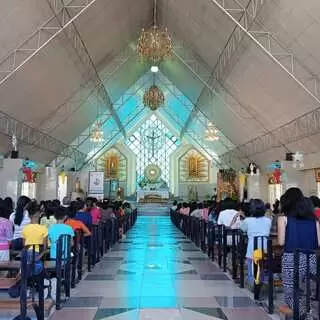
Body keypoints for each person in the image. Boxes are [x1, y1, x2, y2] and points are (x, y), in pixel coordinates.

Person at [278, 188, 320, 316]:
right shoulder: (314, 220)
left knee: (291, 293)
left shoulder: (283, 219)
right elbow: (318, 243)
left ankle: (302, 313)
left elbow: (280, 242)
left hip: (291, 259)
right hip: (310, 259)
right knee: (306, 290)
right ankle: (306, 310)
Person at [239, 199, 271, 283]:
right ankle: (263, 281)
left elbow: (242, 228)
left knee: (251, 271)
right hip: (265, 249)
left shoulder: (247, 221)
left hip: (252, 250)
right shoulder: (268, 220)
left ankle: (253, 284)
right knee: (263, 267)